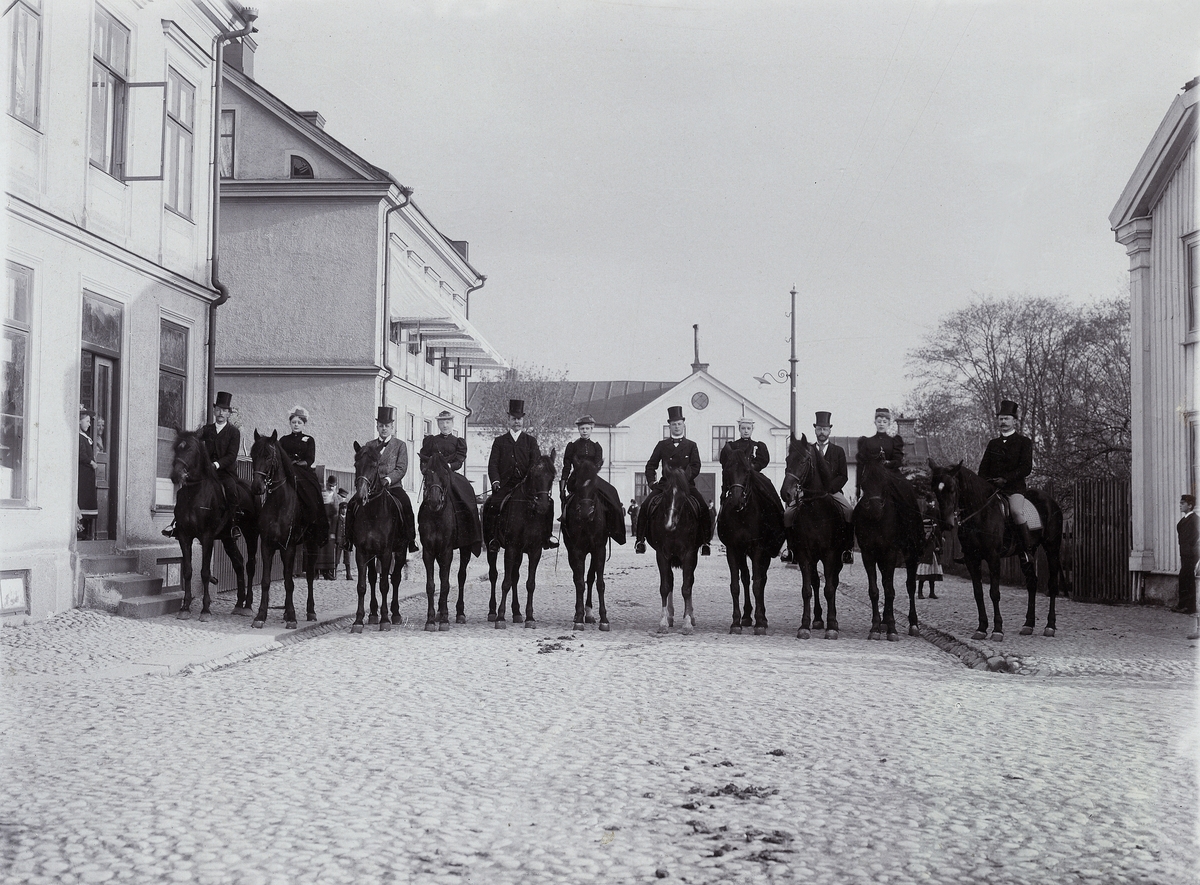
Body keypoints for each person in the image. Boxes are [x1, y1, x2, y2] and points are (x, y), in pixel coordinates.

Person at [162, 390, 242, 539]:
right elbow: (193, 438)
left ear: (228, 414)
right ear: (214, 411)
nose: (220, 413)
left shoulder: (234, 432)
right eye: (218, 409)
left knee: (232, 490)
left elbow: (231, 456)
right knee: (184, 491)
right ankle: (177, 524)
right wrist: (183, 436)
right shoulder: (207, 429)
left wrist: (216, 464)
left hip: (225, 473)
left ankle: (233, 525)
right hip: (206, 472)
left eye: (224, 410)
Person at [635, 406, 712, 556]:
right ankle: (640, 541)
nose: (677, 427)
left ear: (683, 425)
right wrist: (652, 483)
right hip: (665, 485)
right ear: (669, 426)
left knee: (703, 507)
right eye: (674, 424)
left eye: (679, 424)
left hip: (686, 485)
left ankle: (705, 542)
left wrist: (683, 479)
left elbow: (696, 466)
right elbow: (651, 465)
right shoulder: (662, 445)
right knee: (645, 505)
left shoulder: (691, 445)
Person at [483, 399, 558, 552]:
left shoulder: (530, 441)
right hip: (505, 485)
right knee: (492, 503)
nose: (517, 422)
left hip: (526, 486)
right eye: (513, 418)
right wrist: (496, 481)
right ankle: (493, 539)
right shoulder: (499, 441)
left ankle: (547, 536)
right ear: (509, 420)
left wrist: (530, 481)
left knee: (548, 503)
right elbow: (493, 464)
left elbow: (536, 464)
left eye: (519, 419)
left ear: (523, 420)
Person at [344, 406, 418, 555]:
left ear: (392, 427)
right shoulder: (369, 445)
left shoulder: (400, 445)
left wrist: (388, 479)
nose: (384, 428)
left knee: (406, 504)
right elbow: (364, 467)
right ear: (377, 427)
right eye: (381, 425)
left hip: (393, 486)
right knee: (352, 504)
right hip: (371, 488)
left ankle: (410, 540)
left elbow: (401, 468)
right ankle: (348, 540)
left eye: (387, 426)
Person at [978, 399, 1041, 549]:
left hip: (1014, 489)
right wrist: (986, 482)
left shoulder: (1024, 442)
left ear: (1014, 421)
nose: (1003, 422)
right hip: (993, 489)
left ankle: (1026, 549)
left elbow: (1026, 468)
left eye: (1006, 419)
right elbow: (983, 468)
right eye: (1001, 419)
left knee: (1016, 511)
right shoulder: (993, 443)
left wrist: (1006, 479)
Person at [418, 410, 483, 556]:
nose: (445, 425)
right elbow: (424, 458)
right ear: (438, 424)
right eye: (442, 422)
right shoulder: (431, 441)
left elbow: (459, 461)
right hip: (435, 476)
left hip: (451, 475)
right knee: (427, 500)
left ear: (452, 423)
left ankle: (470, 531)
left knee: (465, 496)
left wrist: (449, 466)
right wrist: (425, 469)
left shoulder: (457, 441)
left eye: (447, 422)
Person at [855, 407, 922, 547]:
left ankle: (916, 537)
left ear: (889, 423)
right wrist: (858, 486)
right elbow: (861, 464)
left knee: (907, 492)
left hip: (891, 475)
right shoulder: (867, 442)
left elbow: (898, 460)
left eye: (884, 421)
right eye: (879, 421)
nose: (881, 424)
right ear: (875, 422)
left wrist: (889, 463)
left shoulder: (894, 441)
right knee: (857, 511)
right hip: (873, 478)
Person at [719, 416, 785, 546]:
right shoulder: (731, 446)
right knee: (728, 498)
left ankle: (778, 515)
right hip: (738, 477)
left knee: (768, 488)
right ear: (739, 429)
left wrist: (752, 467)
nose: (746, 431)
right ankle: (721, 524)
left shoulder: (757, 446)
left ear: (752, 429)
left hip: (753, 476)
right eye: (743, 428)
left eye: (748, 428)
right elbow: (725, 463)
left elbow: (763, 461)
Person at [560, 414, 626, 544]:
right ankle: (565, 522)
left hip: (592, 478)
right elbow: (566, 467)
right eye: (582, 429)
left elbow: (597, 466)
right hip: (576, 479)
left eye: (587, 428)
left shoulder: (596, 446)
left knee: (612, 492)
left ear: (592, 429)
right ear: (578, 430)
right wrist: (562, 487)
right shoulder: (572, 446)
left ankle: (617, 530)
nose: (584, 431)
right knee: (569, 502)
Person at [279, 407, 330, 547]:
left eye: (299, 422)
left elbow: (310, 458)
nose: (296, 425)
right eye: (293, 422)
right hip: (286, 471)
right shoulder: (283, 440)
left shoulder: (309, 440)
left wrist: (298, 463)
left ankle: (313, 519)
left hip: (303, 471)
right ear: (290, 423)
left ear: (304, 425)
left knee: (311, 490)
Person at [812, 410, 854, 563]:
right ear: (815, 430)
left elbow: (843, 475)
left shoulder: (838, 451)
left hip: (832, 492)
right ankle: (792, 550)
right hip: (811, 493)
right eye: (819, 429)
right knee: (790, 512)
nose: (822, 432)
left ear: (829, 430)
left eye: (825, 429)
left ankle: (847, 549)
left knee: (849, 511)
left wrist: (830, 489)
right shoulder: (808, 450)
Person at [1175, 494, 1198, 615]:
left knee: (1187, 577)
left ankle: (1189, 607)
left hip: (1191, 554)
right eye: (1180, 503)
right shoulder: (1183, 521)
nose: (1180, 505)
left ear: (1190, 505)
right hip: (1184, 553)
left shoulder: (1195, 519)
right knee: (1185, 577)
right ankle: (1184, 605)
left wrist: (1192, 549)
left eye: (1183, 503)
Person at [916, 493, 943, 599]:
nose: (928, 530)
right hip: (926, 556)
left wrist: (938, 547)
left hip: (933, 554)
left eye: (930, 528)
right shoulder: (925, 513)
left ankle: (932, 592)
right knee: (923, 574)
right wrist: (926, 536)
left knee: (932, 574)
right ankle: (920, 592)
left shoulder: (934, 534)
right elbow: (922, 544)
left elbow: (937, 539)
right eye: (928, 502)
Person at [77, 406, 98, 540]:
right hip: (83, 474)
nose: (89, 424)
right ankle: (80, 529)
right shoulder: (79, 437)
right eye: (87, 421)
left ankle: (85, 530)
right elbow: (81, 455)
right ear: (80, 421)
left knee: (88, 500)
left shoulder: (85, 437)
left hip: (88, 475)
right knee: (83, 499)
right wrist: (91, 462)